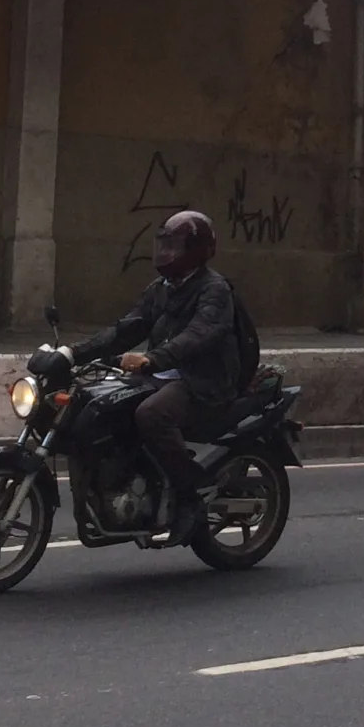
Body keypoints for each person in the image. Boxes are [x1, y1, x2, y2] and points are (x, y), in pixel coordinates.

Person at [73, 210, 242, 530]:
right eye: (164, 245)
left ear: (196, 250)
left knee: (152, 414)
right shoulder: (162, 287)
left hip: (203, 380)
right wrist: (71, 353)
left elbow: (198, 335)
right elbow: (127, 329)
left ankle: (188, 498)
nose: (166, 253)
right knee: (103, 404)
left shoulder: (214, 289)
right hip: (164, 374)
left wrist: (153, 359)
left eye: (175, 246)